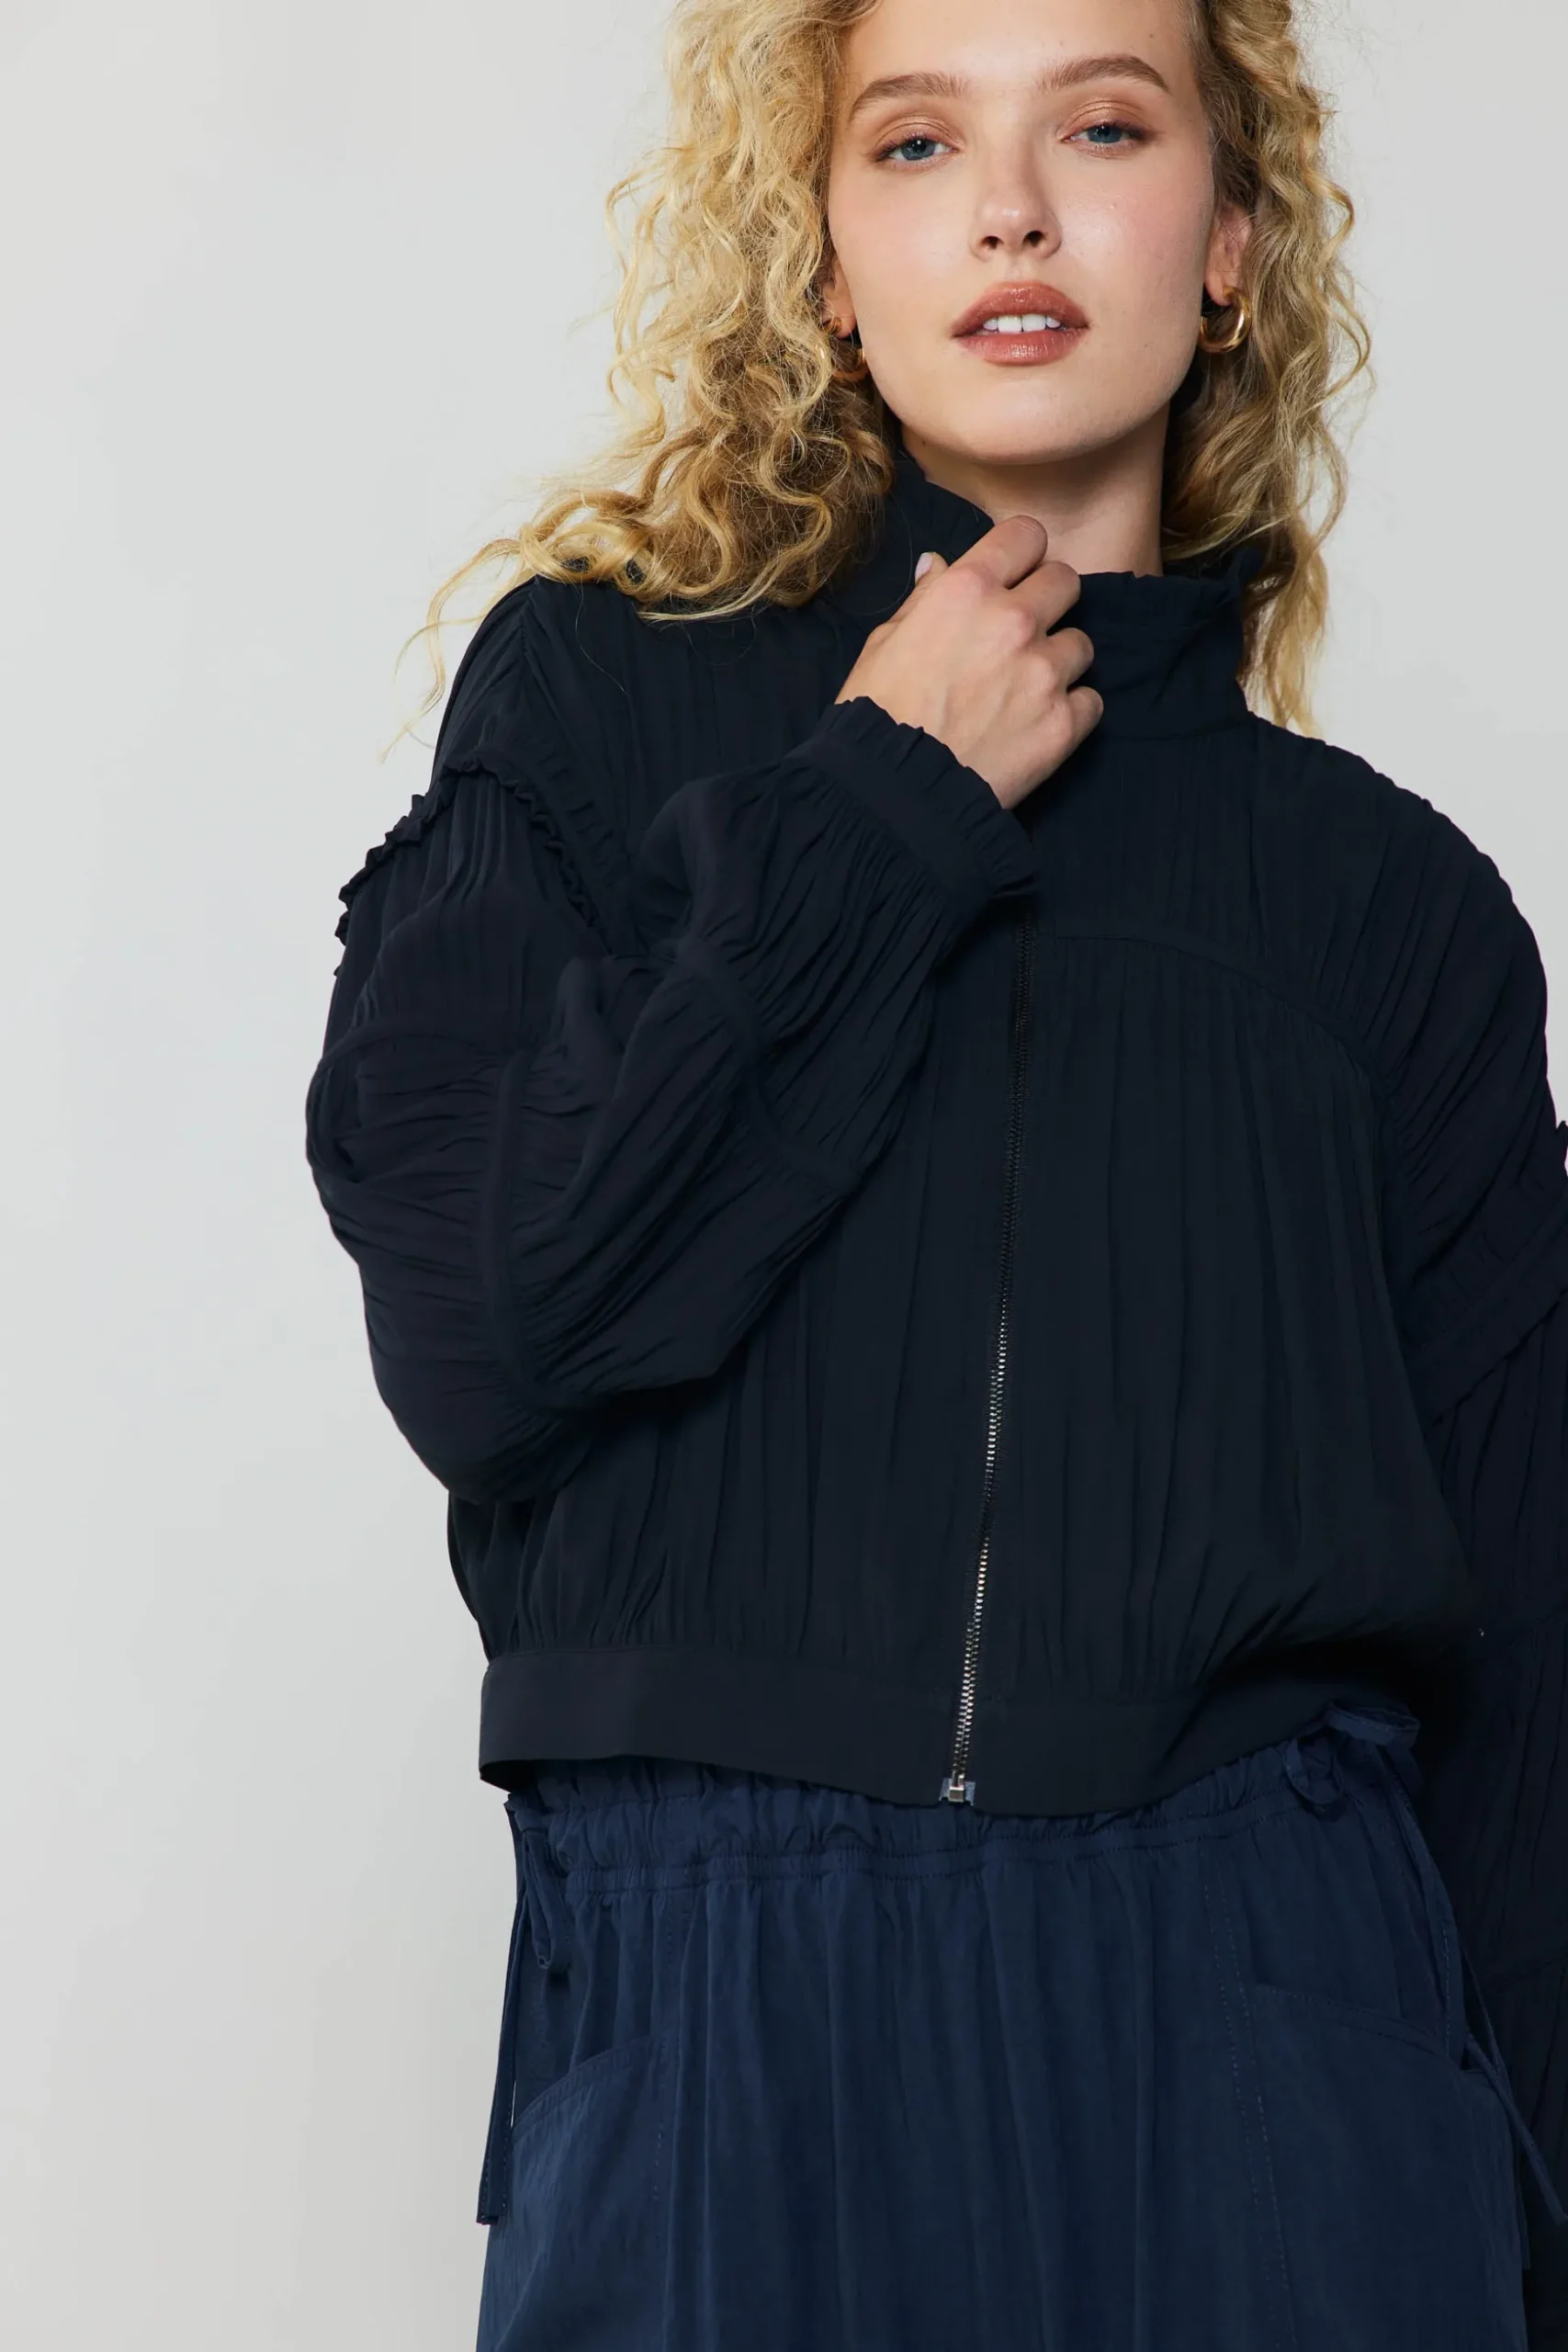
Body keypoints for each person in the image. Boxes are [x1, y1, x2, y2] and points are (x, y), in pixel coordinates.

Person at [304, 0, 1568, 2343]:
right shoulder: (596, 711)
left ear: (1232, 244)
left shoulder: (1390, 914)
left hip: (1277, 2028)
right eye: (911, 142)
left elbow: (1529, 1694)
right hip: (718, 2024)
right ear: (820, 256)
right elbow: (487, 1326)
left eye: (1103, 123)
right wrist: (885, 795)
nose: (1009, 208)